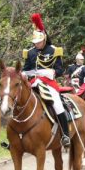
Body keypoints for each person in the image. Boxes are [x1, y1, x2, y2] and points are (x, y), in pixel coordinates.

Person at [21, 13, 70, 147]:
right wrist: (24, 74)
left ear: (45, 38)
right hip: (33, 82)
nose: (36, 44)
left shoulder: (54, 50)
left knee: (57, 104)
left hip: (49, 83)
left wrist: (51, 72)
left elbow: (60, 70)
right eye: (35, 43)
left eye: (39, 42)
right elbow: (26, 68)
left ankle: (65, 134)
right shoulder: (30, 52)